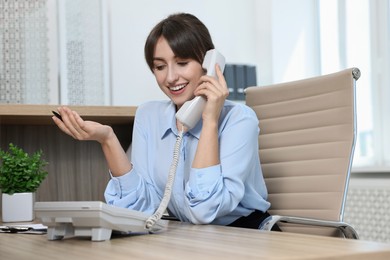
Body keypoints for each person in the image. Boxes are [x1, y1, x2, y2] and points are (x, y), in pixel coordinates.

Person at [52, 12, 279, 230]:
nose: (170, 78)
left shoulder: (239, 120)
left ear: (208, 63)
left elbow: (205, 210)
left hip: (245, 235)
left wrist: (209, 120)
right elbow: (139, 209)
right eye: (160, 67)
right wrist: (108, 140)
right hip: (193, 237)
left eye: (182, 63)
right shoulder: (149, 116)